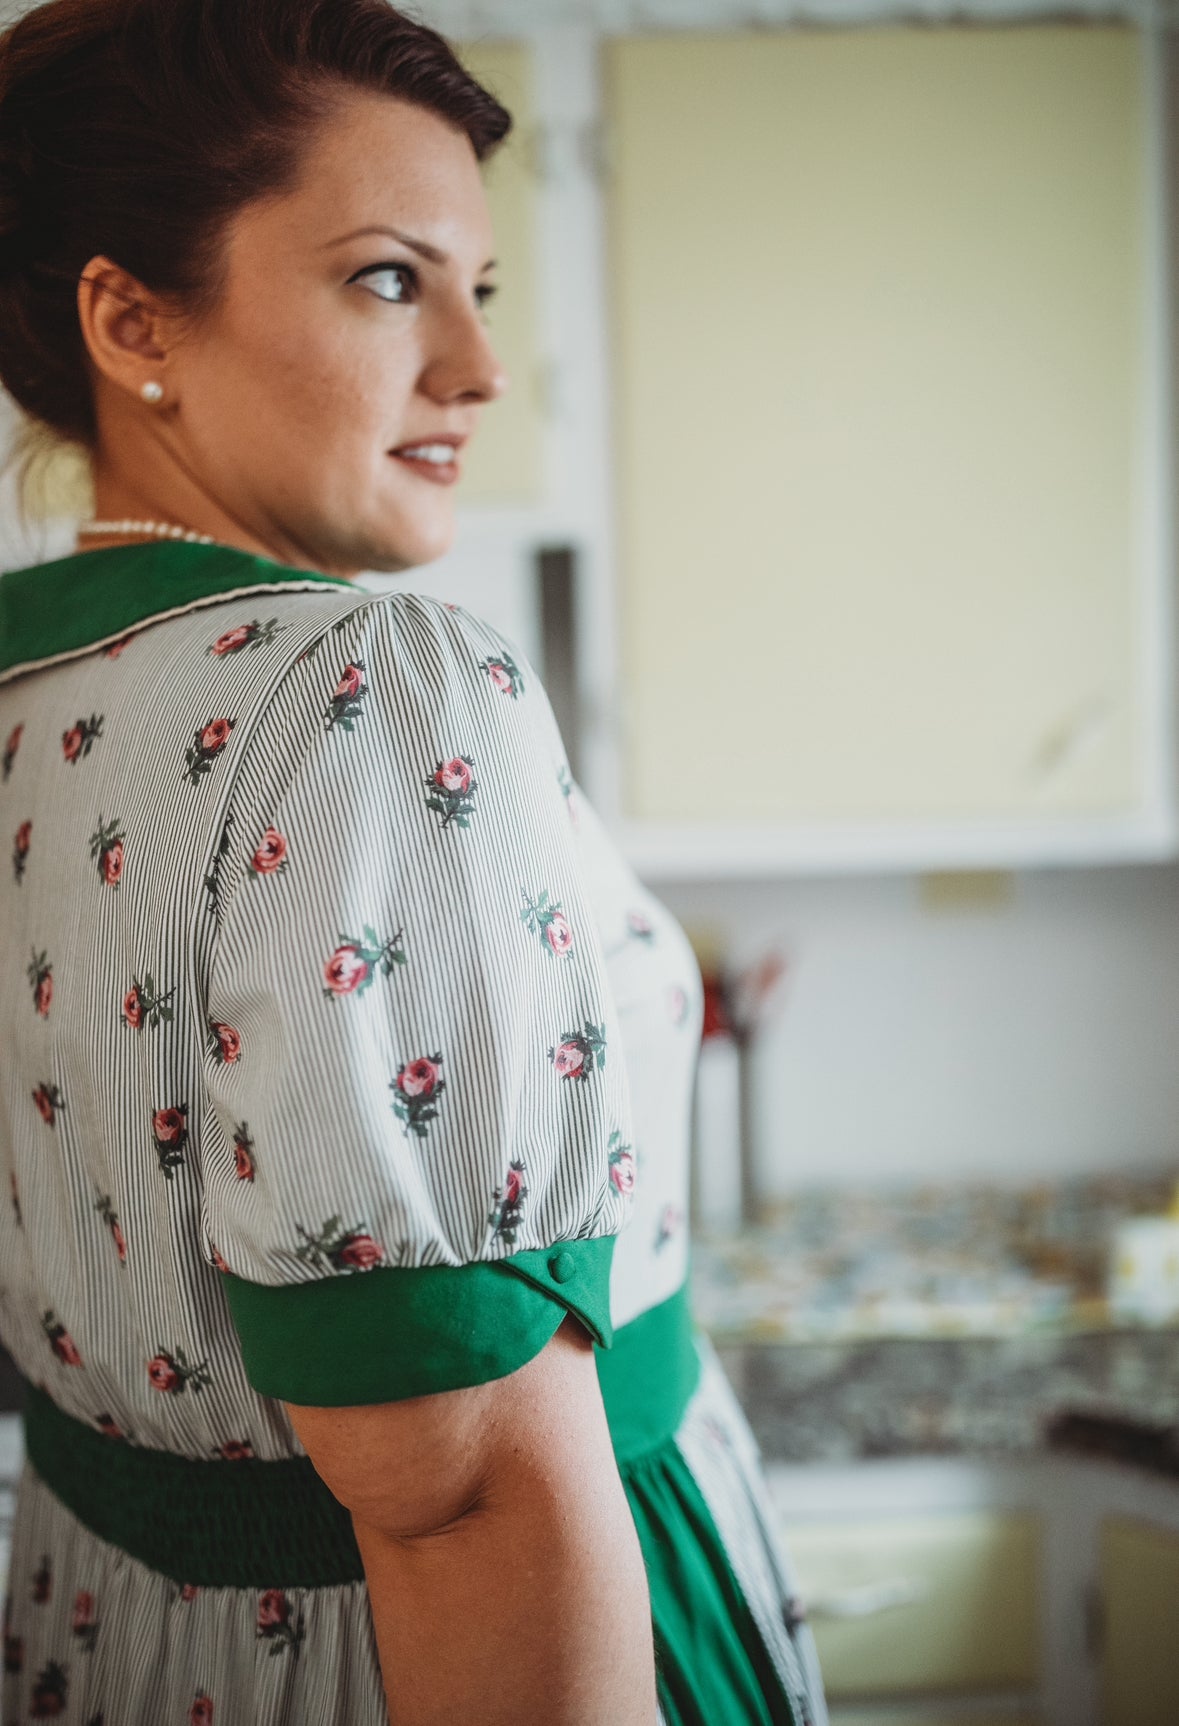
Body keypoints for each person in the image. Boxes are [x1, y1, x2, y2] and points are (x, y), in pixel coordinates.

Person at [0, 2, 828, 1722]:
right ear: (130, 316)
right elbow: (468, 1494)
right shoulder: (362, 688)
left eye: (482, 289)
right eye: (390, 278)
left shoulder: (27, 687)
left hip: (115, 1635)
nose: (477, 367)